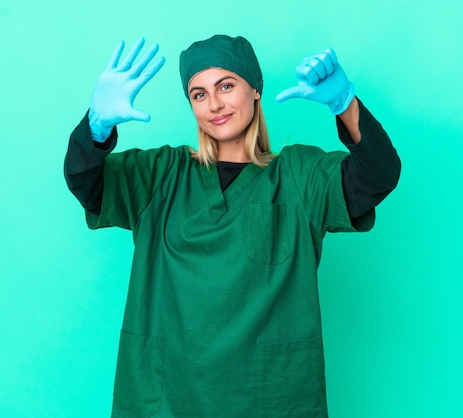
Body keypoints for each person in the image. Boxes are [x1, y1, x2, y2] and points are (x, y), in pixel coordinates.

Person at [64, 34, 401, 418]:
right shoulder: (161, 175)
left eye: (226, 86)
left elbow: (378, 176)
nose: (215, 104)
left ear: (254, 89)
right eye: (199, 94)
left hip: (268, 399)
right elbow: (87, 185)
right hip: (164, 397)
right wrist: (96, 128)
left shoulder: (298, 177)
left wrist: (346, 105)